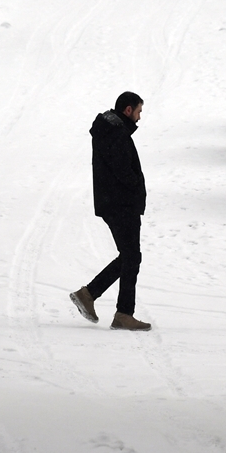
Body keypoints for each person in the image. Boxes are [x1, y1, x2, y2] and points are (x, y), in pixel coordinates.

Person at [70, 91, 152, 331]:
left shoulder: (112, 130)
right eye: (137, 112)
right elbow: (123, 170)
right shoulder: (115, 133)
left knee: (130, 257)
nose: (139, 118)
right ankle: (122, 313)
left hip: (115, 203)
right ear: (128, 110)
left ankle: (90, 295)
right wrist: (136, 188)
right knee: (131, 257)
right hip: (120, 204)